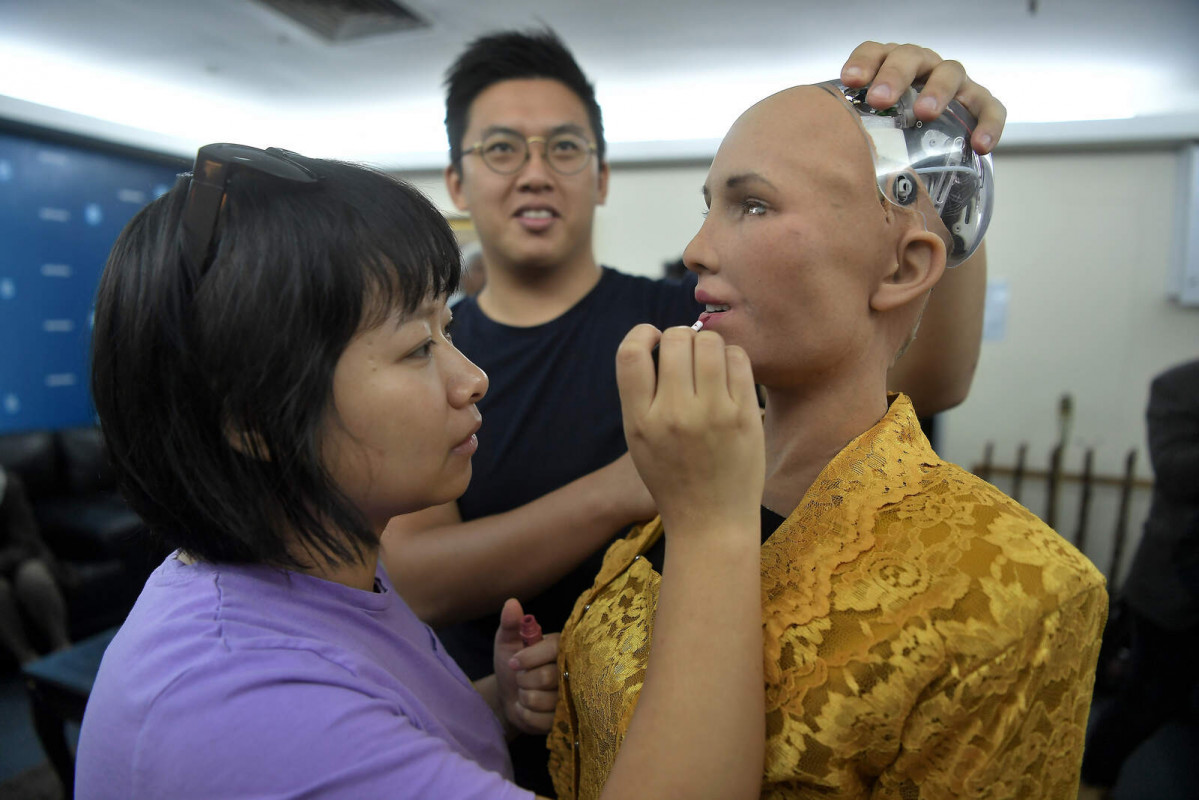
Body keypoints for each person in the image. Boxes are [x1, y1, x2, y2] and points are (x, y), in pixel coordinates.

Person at [382, 33, 1003, 790]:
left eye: (565, 147)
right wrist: (628, 486)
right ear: (456, 179)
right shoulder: (430, 360)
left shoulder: (695, 321)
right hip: (487, 731)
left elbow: (926, 377)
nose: (536, 173)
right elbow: (413, 577)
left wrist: (943, 173)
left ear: (602, 176)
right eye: (502, 149)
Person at [74, 143, 768, 799]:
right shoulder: (236, 705)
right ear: (252, 417)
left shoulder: (313, 577)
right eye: (414, 349)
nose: (471, 379)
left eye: (449, 330)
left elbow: (364, 724)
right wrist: (711, 522)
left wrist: (486, 704)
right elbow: (304, 741)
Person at [548, 80, 1109, 799]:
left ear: (902, 267)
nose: (693, 250)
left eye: (751, 205)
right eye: (708, 205)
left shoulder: (1018, 594)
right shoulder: (686, 494)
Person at [1080, 358, 1199, 795]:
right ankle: (1093, 782)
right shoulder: (1179, 385)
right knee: (1146, 702)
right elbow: (1176, 471)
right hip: (1176, 586)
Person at [0, 466, 71, 666]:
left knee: (33, 577)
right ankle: (26, 659)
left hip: (25, 556)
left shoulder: (8, 485)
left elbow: (27, 541)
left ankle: (62, 645)